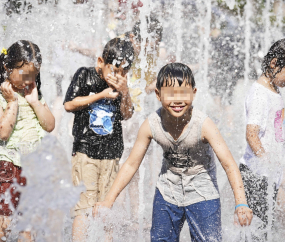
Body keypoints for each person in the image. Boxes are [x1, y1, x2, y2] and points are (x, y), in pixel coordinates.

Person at [93, 63, 253, 241]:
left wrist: (241, 203)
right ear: (158, 94)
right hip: (167, 191)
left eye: (184, 93)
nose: (178, 100)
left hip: (203, 192)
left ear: (194, 92)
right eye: (170, 94)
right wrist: (108, 201)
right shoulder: (151, 124)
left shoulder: (203, 125)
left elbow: (229, 164)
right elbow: (131, 164)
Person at [63, 37, 134, 241]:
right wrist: (99, 95)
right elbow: (69, 105)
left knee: (106, 209)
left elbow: (127, 114)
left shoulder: (122, 86)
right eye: (114, 70)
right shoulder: (84, 75)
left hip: (111, 154)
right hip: (85, 151)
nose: (118, 76)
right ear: (100, 62)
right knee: (84, 208)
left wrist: (125, 92)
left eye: (123, 72)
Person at [0, 40, 55, 241]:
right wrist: (12, 101)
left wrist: (34, 101)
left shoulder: (32, 93)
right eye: (24, 76)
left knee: (28, 227)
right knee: (3, 223)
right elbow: (3, 133)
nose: (27, 82)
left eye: (33, 77)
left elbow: (49, 125)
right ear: (7, 67)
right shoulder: (4, 95)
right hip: (8, 166)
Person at [239, 39, 285, 241]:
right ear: (274, 63)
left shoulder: (275, 91)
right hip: (256, 175)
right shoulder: (259, 93)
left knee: (264, 229)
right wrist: (268, 163)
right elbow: (251, 135)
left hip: (268, 176)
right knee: (256, 232)